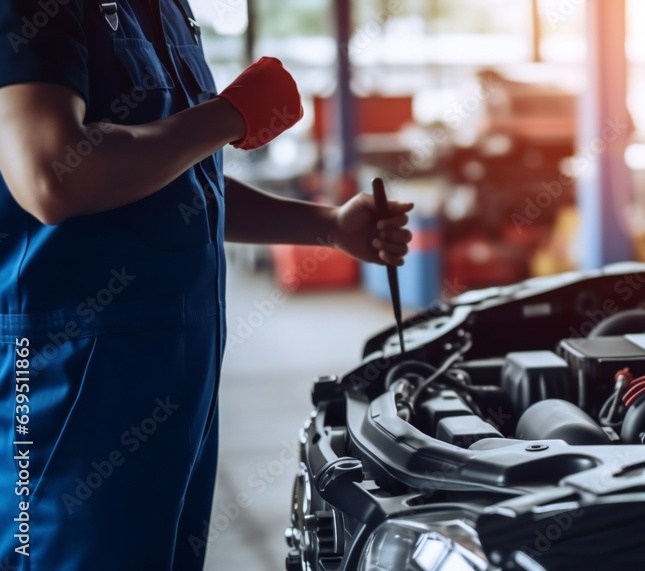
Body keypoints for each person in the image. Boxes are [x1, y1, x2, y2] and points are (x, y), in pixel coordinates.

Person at [0, 1, 413, 569]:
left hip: (173, 376)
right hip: (65, 378)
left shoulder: (167, 8)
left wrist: (328, 226)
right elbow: (49, 173)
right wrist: (229, 115)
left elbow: (180, 179)